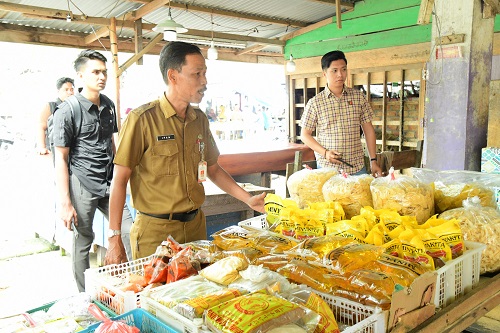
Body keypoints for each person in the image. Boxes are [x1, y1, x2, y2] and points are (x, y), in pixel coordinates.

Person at [108, 41, 266, 262]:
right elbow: (119, 179)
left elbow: (213, 169)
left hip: (195, 227)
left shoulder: (199, 119)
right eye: (197, 74)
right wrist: (114, 237)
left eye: (204, 73)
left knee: (196, 292)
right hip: (156, 233)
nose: (204, 81)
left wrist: (248, 199)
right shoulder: (142, 120)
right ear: (173, 76)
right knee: (156, 293)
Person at [52, 49, 134, 292]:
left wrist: (123, 175)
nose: (102, 77)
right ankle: (84, 296)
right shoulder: (67, 110)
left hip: (110, 182)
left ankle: (131, 286)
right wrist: (65, 202)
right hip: (82, 183)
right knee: (83, 240)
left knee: (129, 229)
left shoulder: (108, 105)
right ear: (80, 76)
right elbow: (61, 158)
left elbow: (114, 142)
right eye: (95, 72)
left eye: (104, 72)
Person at [300, 50, 382, 177]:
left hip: (356, 167)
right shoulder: (315, 103)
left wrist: (373, 160)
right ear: (324, 73)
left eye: (343, 69)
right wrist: (325, 152)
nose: (340, 74)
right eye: (334, 70)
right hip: (328, 169)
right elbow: (305, 135)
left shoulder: (358, 97)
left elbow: (368, 130)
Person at [37, 77, 75, 156]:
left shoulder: (74, 108)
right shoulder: (50, 106)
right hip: (52, 150)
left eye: (72, 89)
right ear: (58, 91)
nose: (70, 92)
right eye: (66, 90)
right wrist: (42, 147)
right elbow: (41, 127)